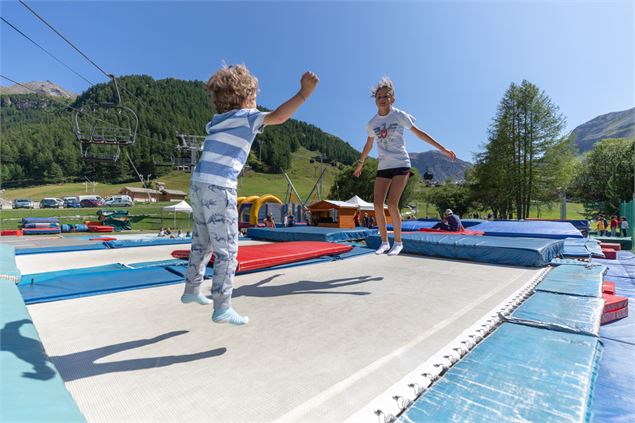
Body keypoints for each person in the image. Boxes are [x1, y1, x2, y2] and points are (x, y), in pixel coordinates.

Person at [180, 64, 318, 326]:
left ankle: (191, 289)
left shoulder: (216, 121)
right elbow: (278, 117)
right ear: (244, 98)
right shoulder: (247, 115)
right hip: (220, 186)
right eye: (254, 96)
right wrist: (303, 94)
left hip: (197, 185)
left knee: (202, 241)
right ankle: (222, 306)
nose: (256, 102)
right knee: (228, 250)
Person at [354, 77, 455, 255]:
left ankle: (398, 242)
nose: (382, 99)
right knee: (377, 204)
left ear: (392, 98)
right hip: (384, 166)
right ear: (375, 100)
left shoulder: (399, 115)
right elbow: (368, 145)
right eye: (379, 96)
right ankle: (384, 241)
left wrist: (443, 149)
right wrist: (360, 163)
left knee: (392, 203)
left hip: (401, 164)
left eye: (386, 96)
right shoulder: (372, 123)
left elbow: (420, 135)